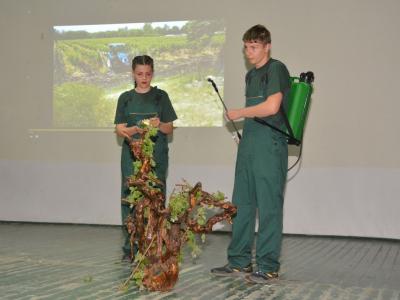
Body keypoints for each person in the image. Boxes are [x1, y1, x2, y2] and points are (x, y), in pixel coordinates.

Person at [211, 25, 291, 284]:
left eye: (254, 47)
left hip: (269, 147)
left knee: (268, 207)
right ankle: (239, 262)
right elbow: (258, 112)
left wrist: (239, 113)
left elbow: (271, 106)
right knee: (242, 206)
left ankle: (268, 266)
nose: (249, 52)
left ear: (267, 46)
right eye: (246, 47)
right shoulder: (250, 75)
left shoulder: (276, 69)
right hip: (250, 147)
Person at [114, 55, 177, 261]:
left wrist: (158, 124)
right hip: (131, 155)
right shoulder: (125, 97)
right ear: (133, 74)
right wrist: (137, 128)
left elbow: (169, 128)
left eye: (148, 74)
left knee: (155, 196)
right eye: (140, 74)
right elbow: (120, 130)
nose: (144, 78)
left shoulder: (161, 96)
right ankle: (130, 246)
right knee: (130, 197)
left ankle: (153, 242)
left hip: (156, 156)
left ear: (153, 73)